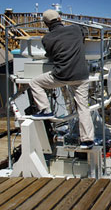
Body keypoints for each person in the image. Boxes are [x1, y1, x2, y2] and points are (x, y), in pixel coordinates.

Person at [29, 9, 94, 149]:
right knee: (83, 107)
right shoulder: (76, 29)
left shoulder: (46, 39)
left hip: (61, 76)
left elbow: (50, 55)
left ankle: (45, 109)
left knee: (34, 82)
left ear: (46, 24)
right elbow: (86, 31)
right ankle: (87, 140)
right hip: (81, 76)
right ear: (59, 18)